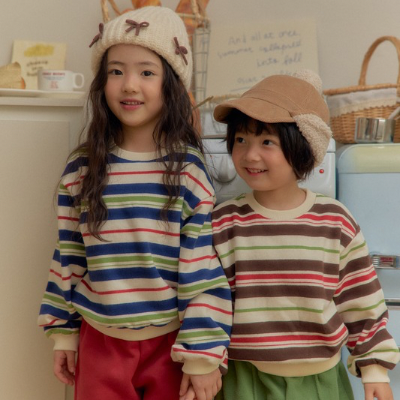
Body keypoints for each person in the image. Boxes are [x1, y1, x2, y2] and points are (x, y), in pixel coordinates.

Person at [37, 6, 232, 400]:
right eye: (116, 71)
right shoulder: (82, 169)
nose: (129, 85)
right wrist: (63, 332)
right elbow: (68, 255)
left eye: (146, 72)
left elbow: (201, 269)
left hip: (170, 345)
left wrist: (202, 356)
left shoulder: (188, 172)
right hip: (100, 342)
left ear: (171, 84)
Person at [210, 70, 399, 400]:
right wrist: (203, 361)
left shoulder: (335, 221)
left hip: (320, 382)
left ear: (304, 148)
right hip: (243, 380)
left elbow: (362, 301)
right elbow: (210, 301)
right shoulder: (224, 222)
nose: (250, 155)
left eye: (267, 142)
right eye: (241, 140)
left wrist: (374, 369)